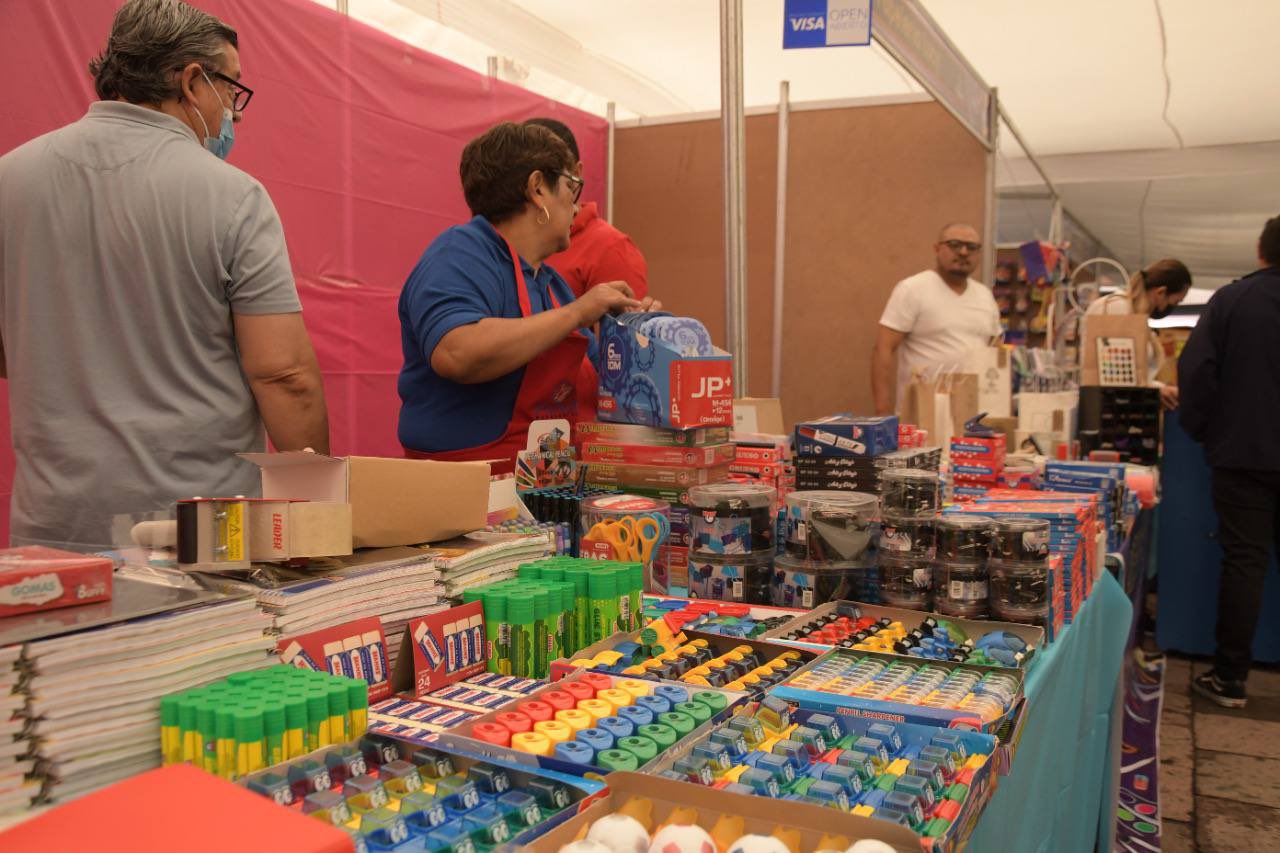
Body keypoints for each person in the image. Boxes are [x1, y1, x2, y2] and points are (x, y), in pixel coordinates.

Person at [0, 0, 327, 551]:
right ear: (193, 81)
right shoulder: (233, 195)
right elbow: (284, 376)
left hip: (53, 525)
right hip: (199, 530)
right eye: (231, 88)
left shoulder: (8, 179)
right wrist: (321, 507)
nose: (234, 112)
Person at [397, 122, 658, 474]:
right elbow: (457, 353)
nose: (577, 207)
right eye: (571, 187)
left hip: (544, 489)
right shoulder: (459, 254)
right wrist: (577, 313)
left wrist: (642, 339)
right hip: (464, 492)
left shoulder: (551, 286)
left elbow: (605, 393)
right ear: (538, 189)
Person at [1179, 216, 1280, 709]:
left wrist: (1202, 430)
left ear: (1261, 250)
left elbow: (1196, 371)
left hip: (1245, 453)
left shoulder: (1233, 299)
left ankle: (1231, 677)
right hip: (1246, 449)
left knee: (1245, 562)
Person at [526, 117, 650, 425]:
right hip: (526, 432)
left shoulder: (610, 247)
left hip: (580, 437)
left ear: (575, 177)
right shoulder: (515, 248)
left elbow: (628, 364)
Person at [871, 224, 1002, 415]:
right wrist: (882, 412)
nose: (964, 252)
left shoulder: (985, 296)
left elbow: (995, 353)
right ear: (937, 249)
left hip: (974, 417)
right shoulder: (913, 289)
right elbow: (883, 349)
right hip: (921, 416)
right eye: (955, 244)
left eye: (971, 247)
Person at [1086, 258, 1192, 409]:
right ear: (1161, 292)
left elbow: (1132, 375)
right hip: (1107, 411)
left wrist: (1158, 388)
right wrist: (1156, 390)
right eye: (1175, 302)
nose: (1172, 307)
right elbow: (1114, 376)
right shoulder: (1117, 309)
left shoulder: (1136, 317)